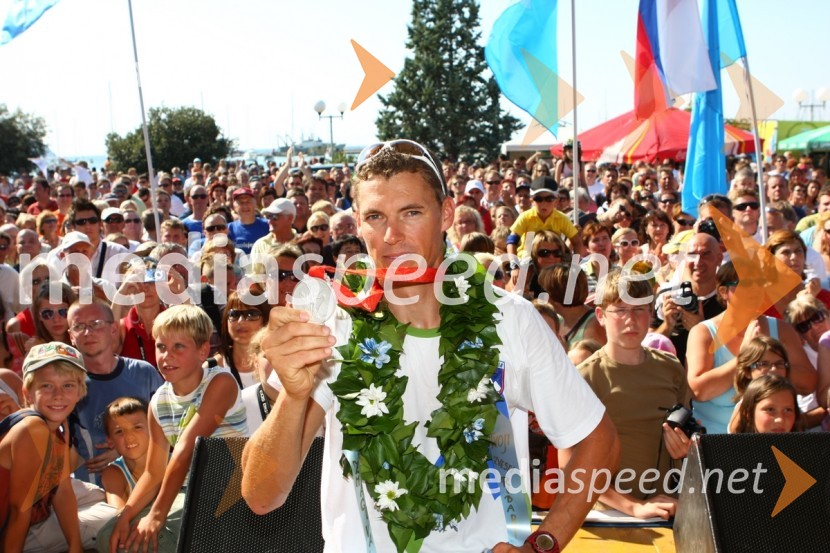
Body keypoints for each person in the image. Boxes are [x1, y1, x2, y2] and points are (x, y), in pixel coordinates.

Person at [241, 139, 619, 552]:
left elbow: (598, 442)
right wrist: (293, 397)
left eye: (412, 213)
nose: (391, 236)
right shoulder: (332, 326)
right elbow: (261, 497)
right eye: (374, 217)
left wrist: (545, 541)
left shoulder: (511, 318)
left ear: (447, 215)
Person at [104, 305, 248, 553]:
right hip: (190, 493)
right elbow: (153, 472)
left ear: (203, 350)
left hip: (230, 493)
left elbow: (185, 451)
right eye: (161, 347)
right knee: (109, 535)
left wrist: (157, 515)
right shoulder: (158, 402)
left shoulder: (220, 382)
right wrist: (125, 516)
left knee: (150, 543)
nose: (166, 356)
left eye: (178, 347)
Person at [568, 269, 689, 520]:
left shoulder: (672, 368)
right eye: (620, 310)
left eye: (639, 309)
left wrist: (685, 448)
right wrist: (633, 506)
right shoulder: (584, 378)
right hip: (607, 516)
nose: (630, 320)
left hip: (668, 508)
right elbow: (569, 464)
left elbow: (686, 432)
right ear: (600, 315)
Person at [686, 261, 816, 434]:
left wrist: (771, 367)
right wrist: (745, 358)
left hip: (774, 438)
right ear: (724, 292)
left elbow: (808, 383)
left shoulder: (782, 329)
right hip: (716, 442)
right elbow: (698, 391)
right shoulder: (703, 332)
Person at [0, 343, 87, 551]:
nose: (58, 395)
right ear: (27, 393)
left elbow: (63, 489)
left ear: (80, 392)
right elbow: (19, 512)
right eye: (46, 386)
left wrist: (75, 547)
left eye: (68, 385)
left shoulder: (57, 428)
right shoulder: (33, 428)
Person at [69, 299, 162, 484]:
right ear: (71, 336)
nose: (88, 333)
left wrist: (123, 449)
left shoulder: (144, 372)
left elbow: (169, 428)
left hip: (149, 485)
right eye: (79, 326)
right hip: (95, 493)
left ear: (113, 329)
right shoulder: (68, 386)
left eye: (95, 324)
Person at [214, 286, 272, 389]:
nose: (241, 321)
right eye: (234, 314)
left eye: (251, 314)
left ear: (266, 320)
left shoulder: (275, 365)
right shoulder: (213, 367)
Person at [100, 397, 151, 508]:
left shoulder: (172, 461)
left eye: (137, 427)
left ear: (153, 429)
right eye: (119, 431)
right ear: (110, 441)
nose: (129, 437)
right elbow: (118, 514)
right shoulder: (114, 473)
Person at [733, 374, 801, 434]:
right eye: (770, 409)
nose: (780, 419)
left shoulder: (804, 448)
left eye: (788, 410)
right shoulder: (732, 448)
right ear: (748, 413)